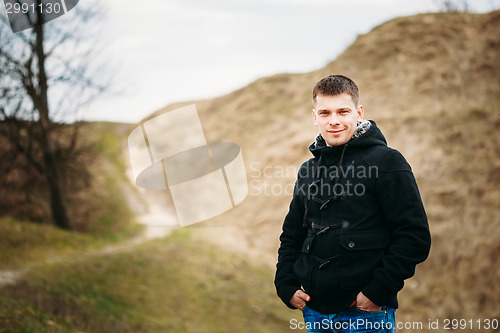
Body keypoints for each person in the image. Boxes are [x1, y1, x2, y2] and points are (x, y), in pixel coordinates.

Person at [274, 75, 431, 332]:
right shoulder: (307, 170)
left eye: (343, 111)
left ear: (358, 113)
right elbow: (291, 235)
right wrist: (286, 285)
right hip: (315, 313)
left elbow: (414, 236)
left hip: (366, 315)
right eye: (325, 112)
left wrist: (376, 291)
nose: (334, 120)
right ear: (315, 117)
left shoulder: (387, 162)